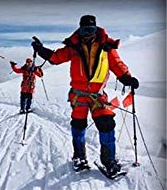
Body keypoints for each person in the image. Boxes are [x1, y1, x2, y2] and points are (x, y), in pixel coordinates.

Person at [31, 15, 139, 176]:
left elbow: (116, 63)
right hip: (78, 95)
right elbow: (56, 58)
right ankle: (79, 157)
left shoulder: (107, 46)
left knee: (107, 124)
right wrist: (41, 50)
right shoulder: (73, 47)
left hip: (98, 95)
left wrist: (126, 77)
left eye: (91, 29)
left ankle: (109, 161)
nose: (88, 33)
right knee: (78, 125)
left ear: (96, 29)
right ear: (79, 30)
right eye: (84, 30)